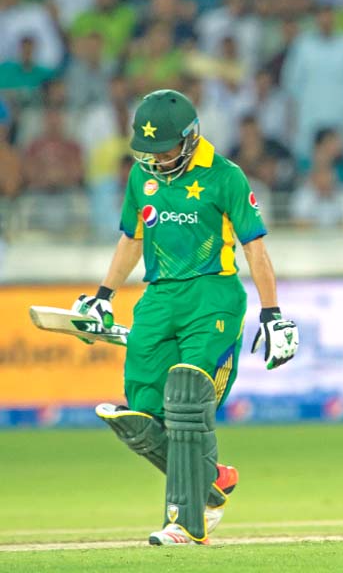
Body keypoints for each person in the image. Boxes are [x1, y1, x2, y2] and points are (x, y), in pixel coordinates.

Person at [74, 89, 299, 546]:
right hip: (157, 299)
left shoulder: (225, 177)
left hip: (212, 295)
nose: (156, 159)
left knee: (187, 399)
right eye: (148, 151)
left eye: (166, 149)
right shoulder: (142, 177)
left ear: (191, 137)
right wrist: (103, 296)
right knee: (140, 415)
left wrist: (272, 314)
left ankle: (185, 522)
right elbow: (131, 240)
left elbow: (255, 247)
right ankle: (212, 482)